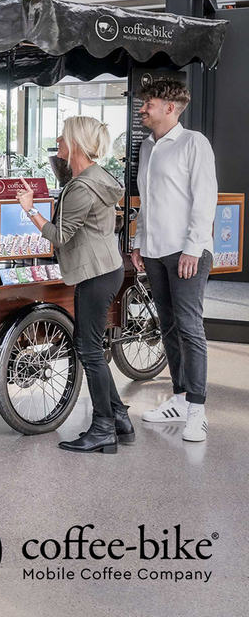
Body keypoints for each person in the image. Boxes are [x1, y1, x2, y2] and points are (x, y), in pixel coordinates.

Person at [17, 115, 129, 455]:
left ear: (76, 144)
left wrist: (30, 210)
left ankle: (103, 429)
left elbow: (59, 236)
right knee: (90, 347)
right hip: (106, 268)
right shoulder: (98, 177)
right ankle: (120, 418)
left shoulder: (81, 187)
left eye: (63, 137)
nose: (59, 142)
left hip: (94, 274)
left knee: (90, 351)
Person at [131, 78, 217, 442]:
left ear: (170, 107)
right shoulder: (148, 147)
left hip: (186, 251)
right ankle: (179, 399)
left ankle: (197, 410)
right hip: (153, 250)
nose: (142, 108)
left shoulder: (193, 143)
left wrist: (194, 248)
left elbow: (205, 197)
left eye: (148, 102)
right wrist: (138, 242)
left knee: (189, 327)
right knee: (167, 326)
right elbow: (147, 201)